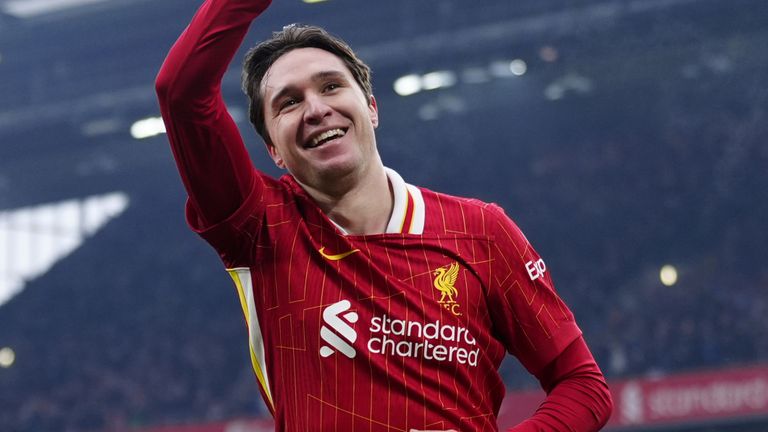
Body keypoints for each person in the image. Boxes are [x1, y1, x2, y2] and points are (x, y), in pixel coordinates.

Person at [155, 0, 613, 430]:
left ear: (372, 108)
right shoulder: (259, 227)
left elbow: (583, 385)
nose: (316, 109)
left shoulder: (482, 232)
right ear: (273, 149)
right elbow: (180, 90)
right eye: (289, 102)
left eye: (331, 85)